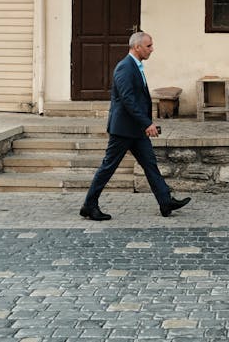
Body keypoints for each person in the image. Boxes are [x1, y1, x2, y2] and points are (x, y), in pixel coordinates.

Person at [80, 31, 191, 220]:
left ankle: (165, 202)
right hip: (123, 129)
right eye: (149, 46)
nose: (152, 49)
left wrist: (144, 124)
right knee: (108, 167)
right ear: (137, 46)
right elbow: (128, 100)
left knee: (150, 164)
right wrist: (147, 123)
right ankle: (89, 205)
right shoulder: (125, 67)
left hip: (135, 130)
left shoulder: (135, 66)